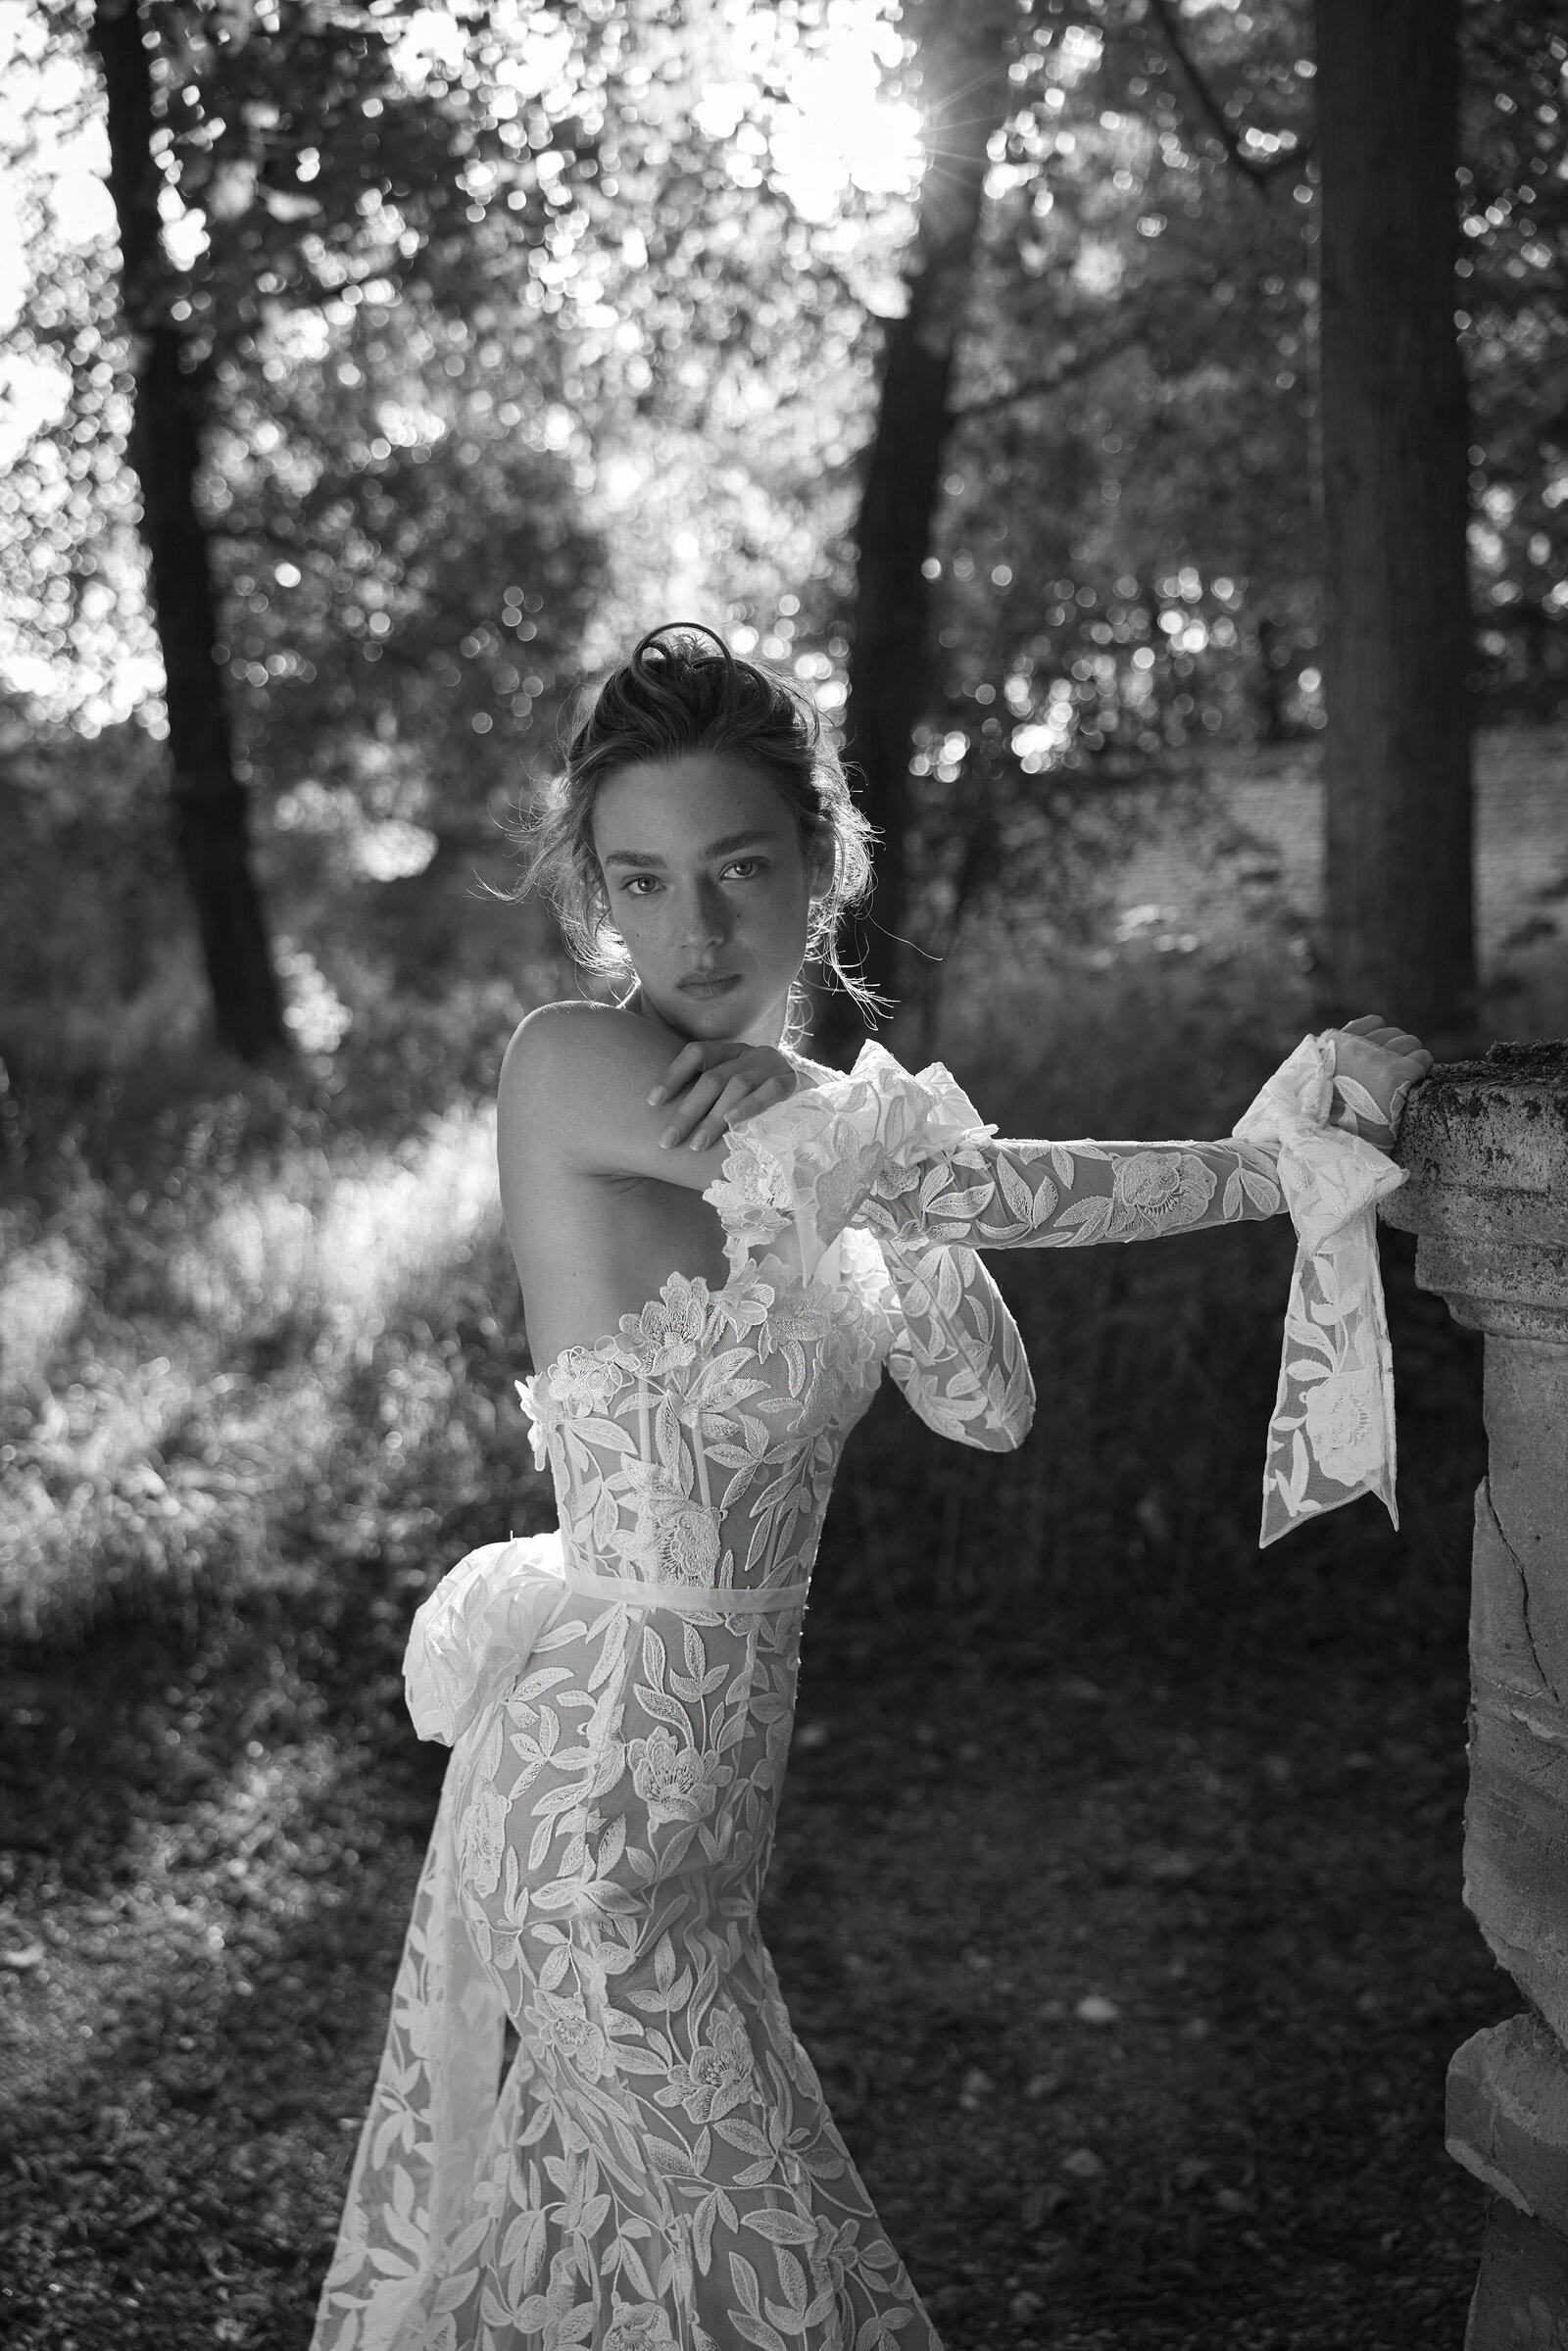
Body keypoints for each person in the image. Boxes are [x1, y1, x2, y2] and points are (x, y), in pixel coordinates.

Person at [311, 624, 1431, 2350]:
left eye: (740, 872)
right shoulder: (570, 1065)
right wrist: (1265, 1168)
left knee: (645, 2301)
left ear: (822, 870)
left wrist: (891, 1171)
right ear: (598, 894)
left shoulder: (829, 1148)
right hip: (585, 1859)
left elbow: (990, 1403)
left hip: (699, 1869)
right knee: (803, 2305)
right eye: (642, 881)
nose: (692, 933)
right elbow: (1009, 1191)